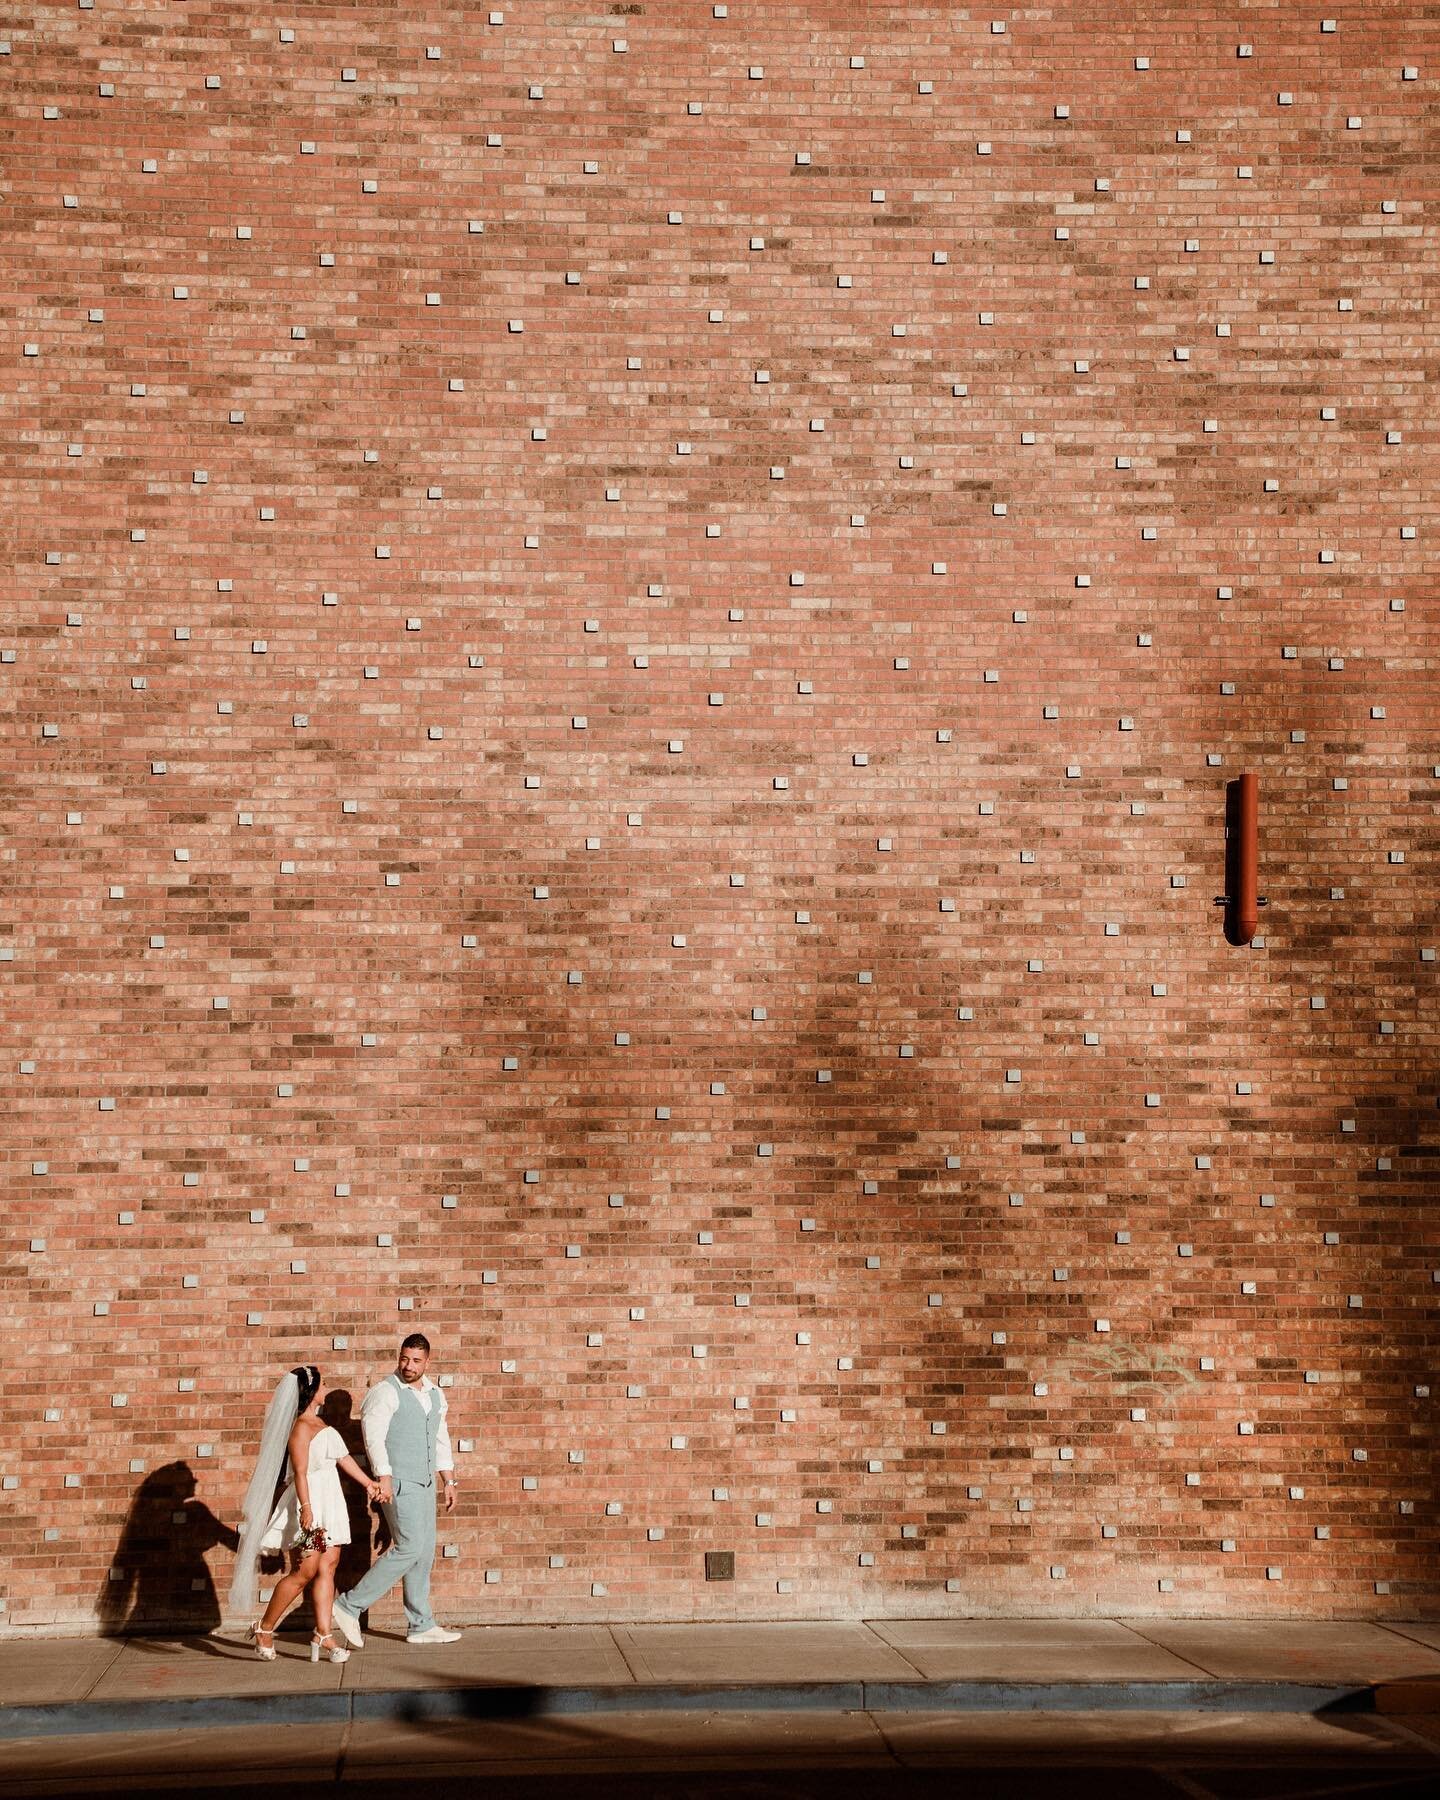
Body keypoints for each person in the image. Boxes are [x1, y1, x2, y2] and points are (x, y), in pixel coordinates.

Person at [227, 1365, 381, 1661]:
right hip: (309, 1501)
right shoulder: (300, 1428)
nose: (325, 1389)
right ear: (311, 1392)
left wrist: (370, 1484)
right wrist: (306, 1509)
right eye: (322, 1385)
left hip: (330, 1500)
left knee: (329, 1565)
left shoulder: (322, 1426)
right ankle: (264, 1627)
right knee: (305, 1570)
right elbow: (299, 1472)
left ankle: (323, 1634)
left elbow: (344, 1459)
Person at [331, 1334, 461, 1647]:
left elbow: (440, 1438)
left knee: (423, 1553)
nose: (408, 1366)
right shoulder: (384, 1392)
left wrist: (449, 1480)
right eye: (404, 1358)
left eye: (416, 1360)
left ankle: (420, 1624)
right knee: (410, 1547)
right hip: (399, 1480)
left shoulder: (433, 1393)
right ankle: (349, 1605)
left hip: (426, 1482)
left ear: (427, 1361)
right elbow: (373, 1439)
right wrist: (384, 1478)